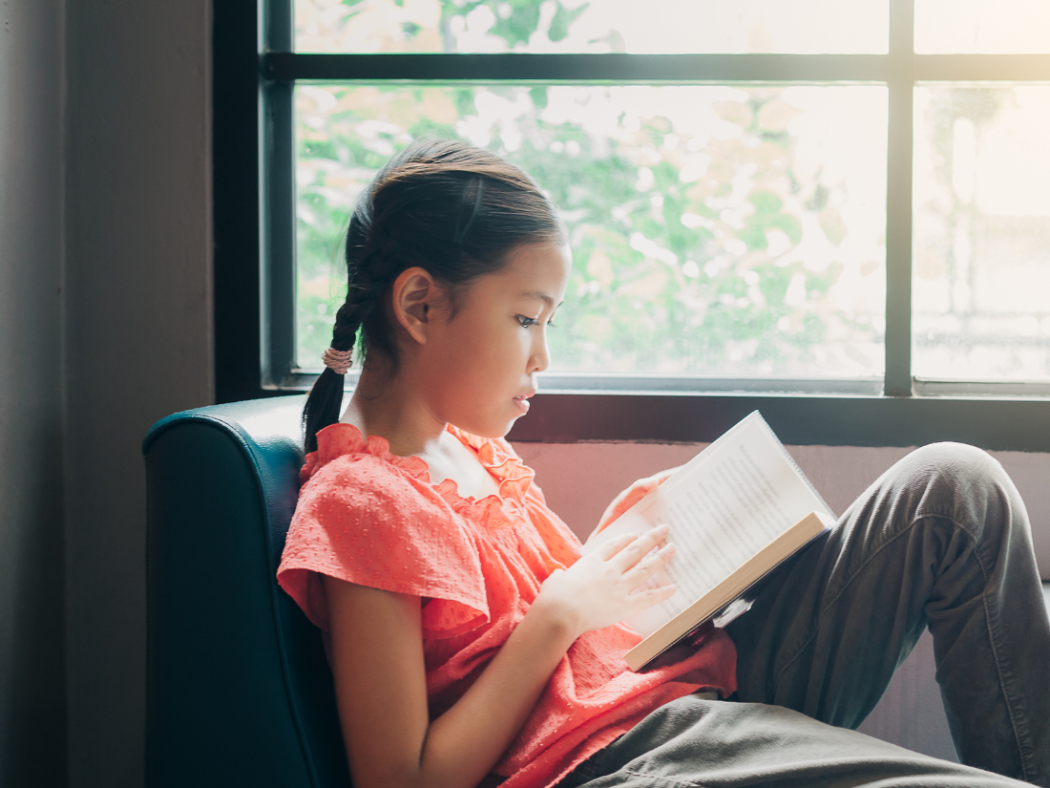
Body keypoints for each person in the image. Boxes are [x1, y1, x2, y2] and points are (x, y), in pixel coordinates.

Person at [276, 139, 1049, 788]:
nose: (543, 355)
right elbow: (401, 778)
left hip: (678, 690)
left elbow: (575, 618)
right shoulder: (362, 501)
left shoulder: (473, 452)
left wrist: (653, 555)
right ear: (419, 306)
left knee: (954, 488)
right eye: (524, 319)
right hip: (622, 756)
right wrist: (557, 615)